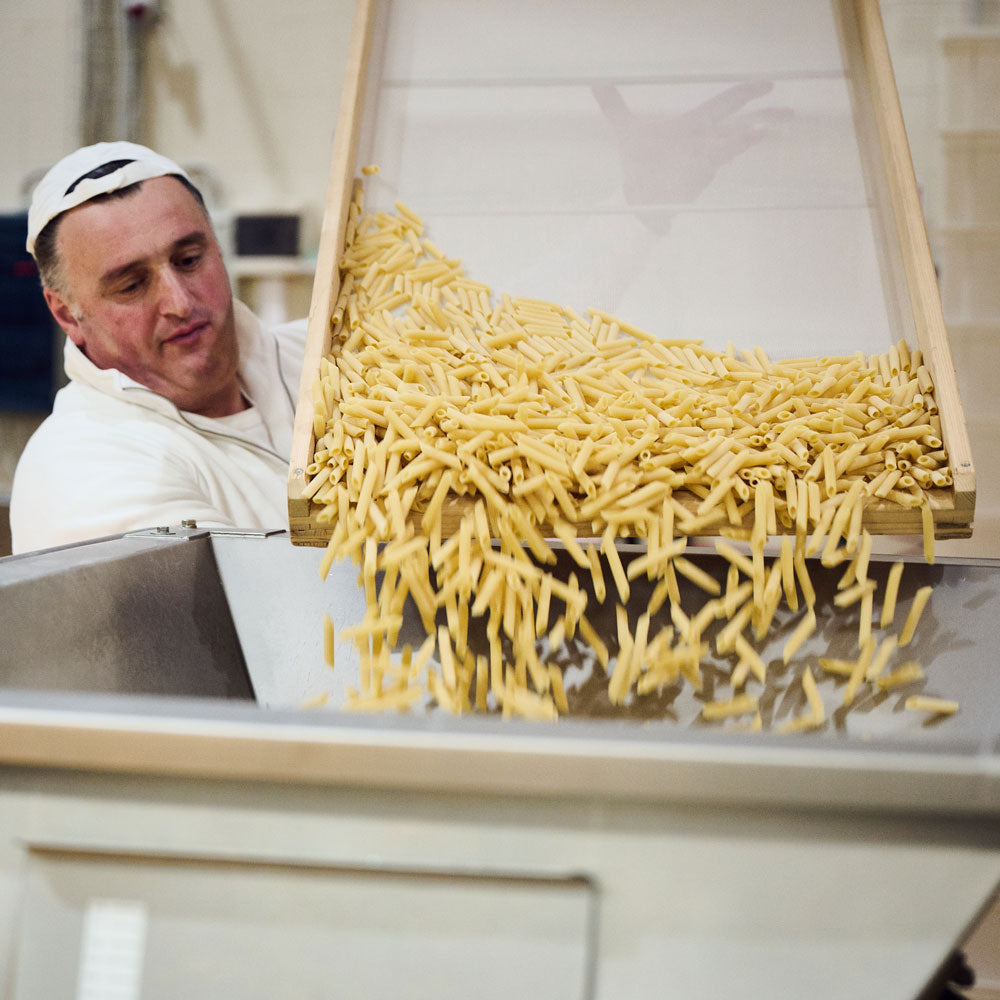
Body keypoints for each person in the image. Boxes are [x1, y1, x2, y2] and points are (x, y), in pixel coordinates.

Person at [10, 141, 306, 553]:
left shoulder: (321, 353)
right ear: (66, 315)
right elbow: (271, 605)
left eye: (188, 260)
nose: (180, 303)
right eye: (132, 285)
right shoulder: (84, 466)